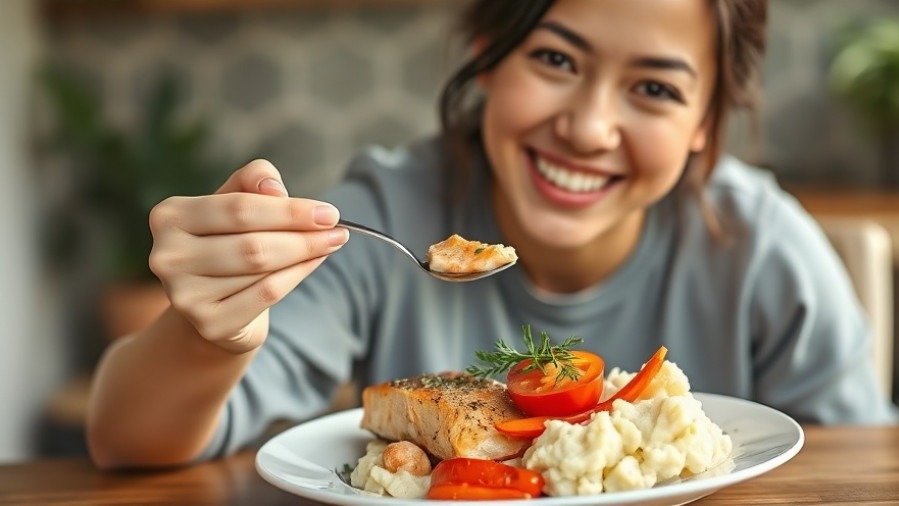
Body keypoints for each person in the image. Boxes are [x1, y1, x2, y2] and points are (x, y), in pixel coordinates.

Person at [86, 0, 898, 469]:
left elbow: (862, 469)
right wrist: (207, 338)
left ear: (704, 123)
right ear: (485, 57)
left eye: (653, 87)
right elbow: (129, 443)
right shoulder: (384, 217)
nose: (587, 127)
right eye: (553, 58)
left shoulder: (764, 247)